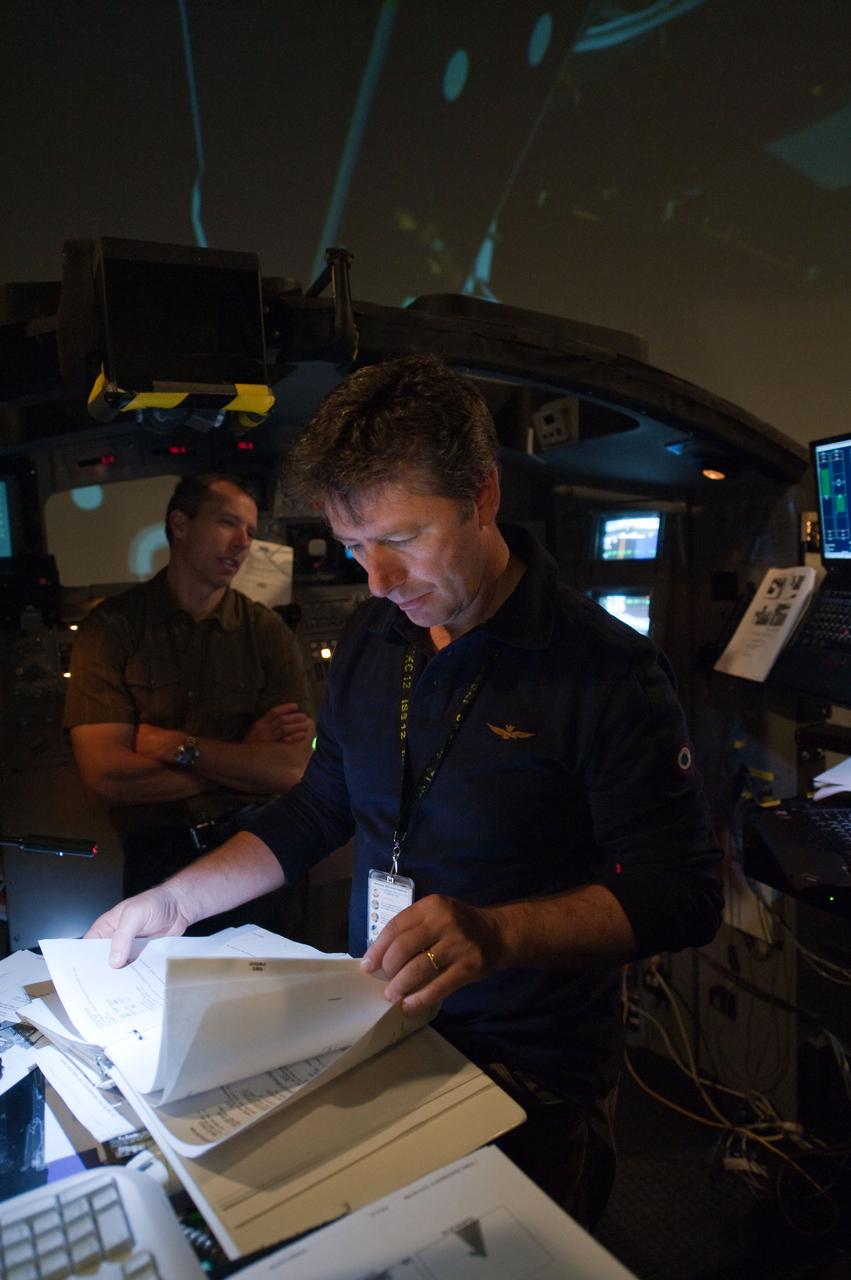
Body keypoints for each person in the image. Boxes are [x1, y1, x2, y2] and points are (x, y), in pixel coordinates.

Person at [86, 356, 723, 1228]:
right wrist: (173, 902)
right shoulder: (374, 635)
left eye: (402, 538)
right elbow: (319, 807)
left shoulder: (607, 672)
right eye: (354, 548)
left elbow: (681, 895)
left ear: (483, 498)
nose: (378, 581)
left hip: (526, 1069)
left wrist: (495, 933)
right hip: (376, 1032)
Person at [64, 472, 316, 917]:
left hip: (254, 854)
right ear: (180, 525)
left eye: (251, 532)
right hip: (157, 858)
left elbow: (292, 769)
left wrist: (175, 747)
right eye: (227, 523)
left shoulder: (267, 633)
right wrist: (244, 758)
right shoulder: (113, 629)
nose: (243, 543)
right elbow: (105, 776)